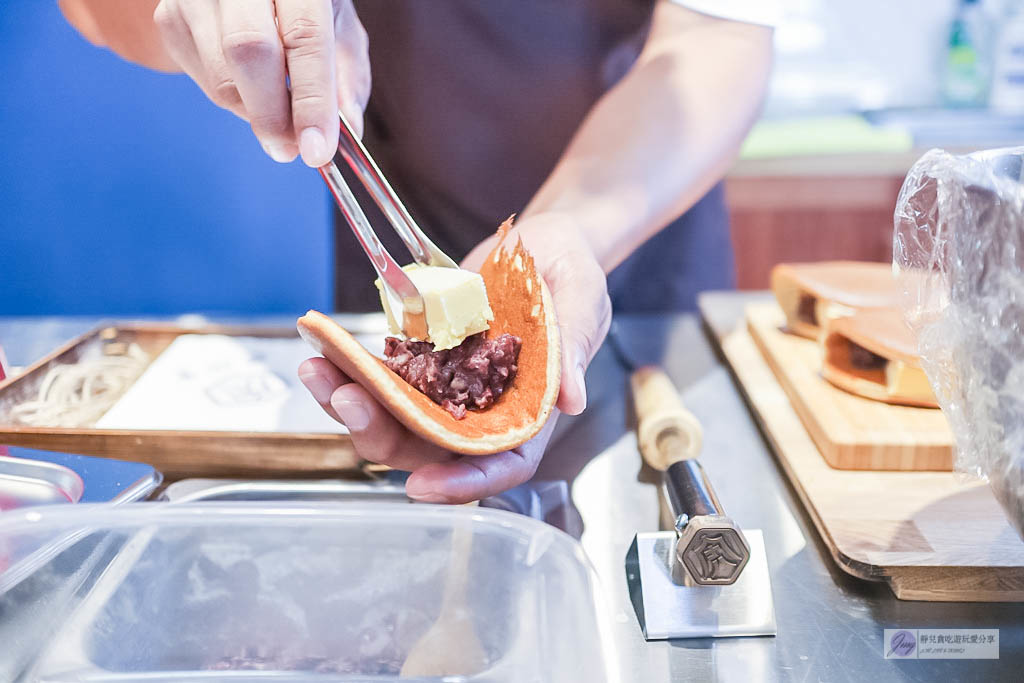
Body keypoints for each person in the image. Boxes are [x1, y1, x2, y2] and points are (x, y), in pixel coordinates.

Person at [60, 0, 774, 504]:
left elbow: (720, 37)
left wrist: (570, 227)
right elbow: (94, 10)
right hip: (400, 242)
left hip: (629, 234)